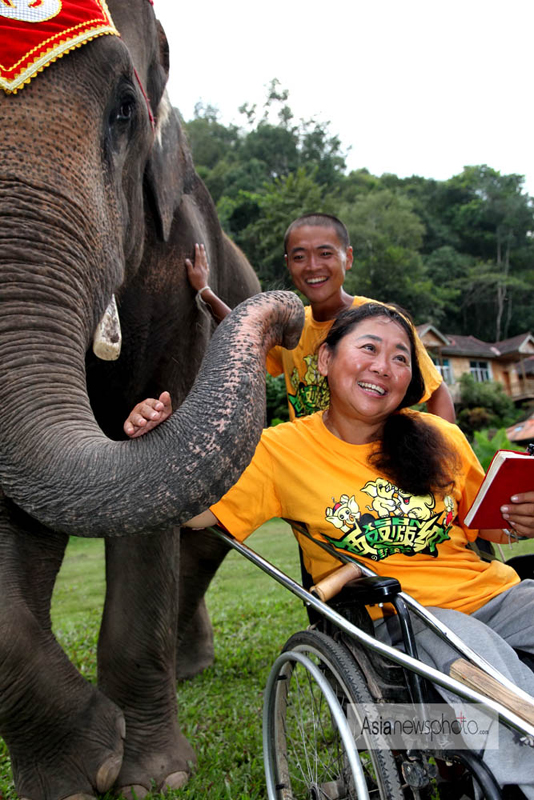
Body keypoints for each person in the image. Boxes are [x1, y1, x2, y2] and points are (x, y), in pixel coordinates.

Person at [126, 302, 534, 794]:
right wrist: (157, 443)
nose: (384, 366)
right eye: (369, 348)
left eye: (401, 358)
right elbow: (194, 512)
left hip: (494, 595)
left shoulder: (439, 436)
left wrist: (518, 520)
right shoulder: (281, 450)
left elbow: (481, 527)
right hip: (400, 618)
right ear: (324, 360)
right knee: (480, 661)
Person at [185, 214, 456, 423]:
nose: (313, 266)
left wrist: (445, 458)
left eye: (325, 254)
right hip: (313, 470)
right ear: (288, 263)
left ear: (347, 258)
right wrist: (205, 291)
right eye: (300, 257)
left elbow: (436, 391)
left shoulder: (383, 322)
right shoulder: (294, 327)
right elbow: (244, 329)